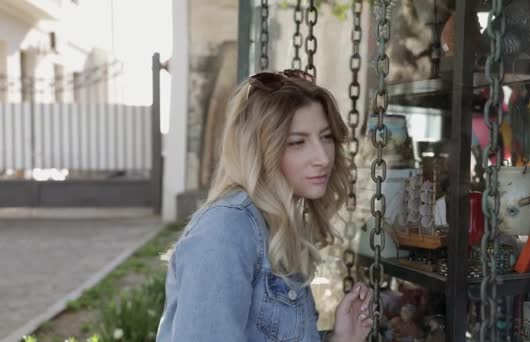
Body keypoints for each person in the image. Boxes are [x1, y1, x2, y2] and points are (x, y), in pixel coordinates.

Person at [156, 70, 374, 342]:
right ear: (259, 150)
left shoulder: (276, 225)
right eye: (298, 142)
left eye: (326, 137)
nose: (322, 158)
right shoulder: (227, 230)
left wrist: (340, 339)